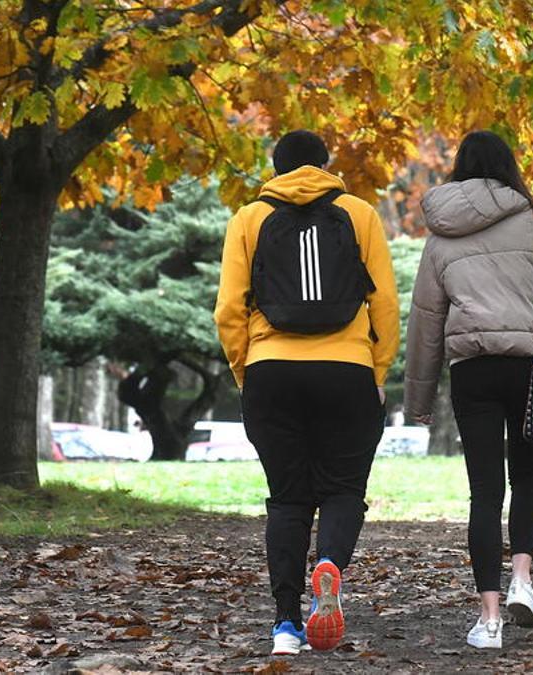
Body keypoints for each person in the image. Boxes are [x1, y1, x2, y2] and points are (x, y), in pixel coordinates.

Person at [403, 131, 533, 650]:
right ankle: (523, 582)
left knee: (484, 493)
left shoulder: (442, 235)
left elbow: (425, 320)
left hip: (474, 372)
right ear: (510, 167)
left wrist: (417, 399)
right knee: (528, 478)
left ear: (461, 169)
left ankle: (489, 621)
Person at [214, 130, 399, 657]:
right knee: (343, 490)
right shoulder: (360, 213)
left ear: (275, 169)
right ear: (325, 165)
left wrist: (246, 371)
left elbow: (229, 310)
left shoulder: (248, 218)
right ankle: (331, 567)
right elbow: (384, 303)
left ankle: (286, 626)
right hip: (347, 370)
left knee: (288, 499)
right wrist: (377, 370)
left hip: (272, 370)